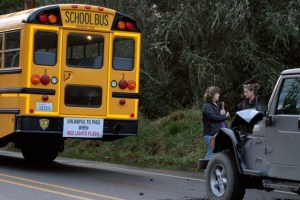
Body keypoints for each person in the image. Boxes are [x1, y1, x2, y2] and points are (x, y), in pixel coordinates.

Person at [202, 86, 230, 160]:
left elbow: (224, 114)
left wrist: (225, 113)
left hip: (219, 134)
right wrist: (225, 116)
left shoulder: (218, 104)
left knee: (217, 156)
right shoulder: (206, 106)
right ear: (212, 94)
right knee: (210, 155)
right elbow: (214, 117)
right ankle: (207, 171)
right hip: (211, 134)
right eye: (217, 93)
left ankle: (212, 171)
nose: (219, 95)